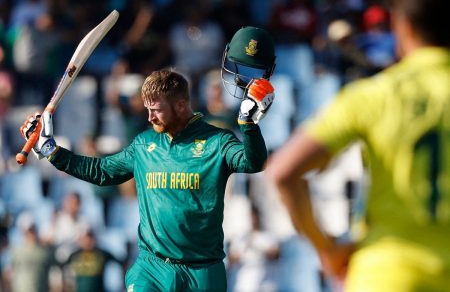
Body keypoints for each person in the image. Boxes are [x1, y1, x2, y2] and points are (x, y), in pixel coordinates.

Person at [20, 26, 277, 291]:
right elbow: (102, 171)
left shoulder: (217, 141)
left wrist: (249, 125)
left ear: (180, 106)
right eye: (148, 110)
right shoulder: (144, 144)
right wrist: (52, 151)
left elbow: (253, 162)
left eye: (156, 111)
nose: (150, 118)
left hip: (203, 270)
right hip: (152, 268)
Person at [265, 0, 450, 291]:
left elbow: (284, 171)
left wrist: (327, 249)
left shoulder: (377, 94)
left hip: (387, 273)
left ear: (403, 26)